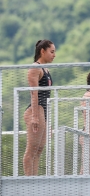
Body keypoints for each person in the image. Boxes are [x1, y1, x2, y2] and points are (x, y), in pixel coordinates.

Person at [23, 39, 56, 176]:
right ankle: (27, 182)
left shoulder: (45, 69)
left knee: (39, 149)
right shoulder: (35, 68)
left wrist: (48, 123)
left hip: (44, 111)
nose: (54, 55)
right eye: (52, 52)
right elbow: (33, 93)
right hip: (35, 111)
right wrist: (35, 117)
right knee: (31, 149)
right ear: (42, 51)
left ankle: (34, 180)